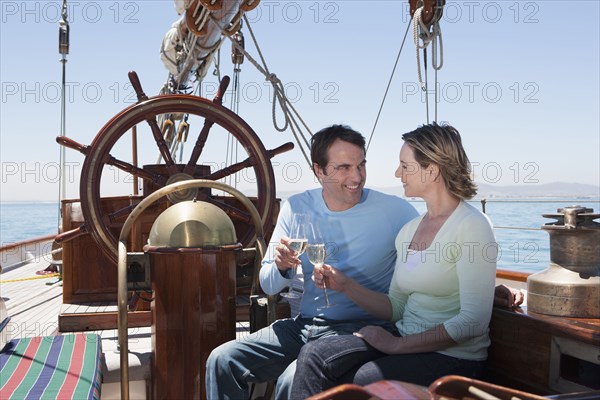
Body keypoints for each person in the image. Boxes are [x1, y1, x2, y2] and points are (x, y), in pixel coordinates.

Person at [205, 124, 420, 400]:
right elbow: (268, 285)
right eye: (343, 167)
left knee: (289, 380)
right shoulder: (296, 208)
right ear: (319, 170)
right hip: (305, 325)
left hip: (362, 331)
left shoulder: (397, 211)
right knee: (221, 360)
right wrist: (282, 266)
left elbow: (425, 263)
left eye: (361, 165)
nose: (356, 176)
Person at [290, 122, 504, 398]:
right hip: (402, 336)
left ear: (432, 170)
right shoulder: (409, 231)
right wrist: (344, 285)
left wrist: (394, 346)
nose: (396, 173)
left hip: (454, 359)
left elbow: (473, 322)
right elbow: (397, 307)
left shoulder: (472, 225)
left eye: (405, 165)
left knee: (359, 382)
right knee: (313, 354)